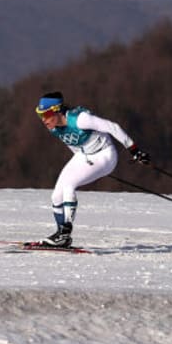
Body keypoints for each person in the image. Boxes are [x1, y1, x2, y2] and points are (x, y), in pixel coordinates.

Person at [33, 90, 149, 247]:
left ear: (57, 110)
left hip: (105, 155)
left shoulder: (80, 119)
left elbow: (113, 127)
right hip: (85, 155)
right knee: (56, 196)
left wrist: (134, 150)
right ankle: (61, 235)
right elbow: (72, 144)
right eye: (40, 115)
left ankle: (65, 232)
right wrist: (85, 165)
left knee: (69, 186)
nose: (43, 120)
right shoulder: (53, 127)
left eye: (45, 114)